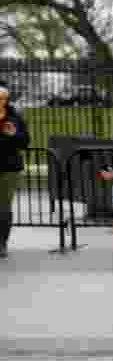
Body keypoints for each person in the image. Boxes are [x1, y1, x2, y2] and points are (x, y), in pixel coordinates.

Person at [0, 83, 30, 259]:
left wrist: (14, 135)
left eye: (2, 98)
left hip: (9, 169)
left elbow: (25, 141)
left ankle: (2, 242)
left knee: (3, 208)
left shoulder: (15, 118)